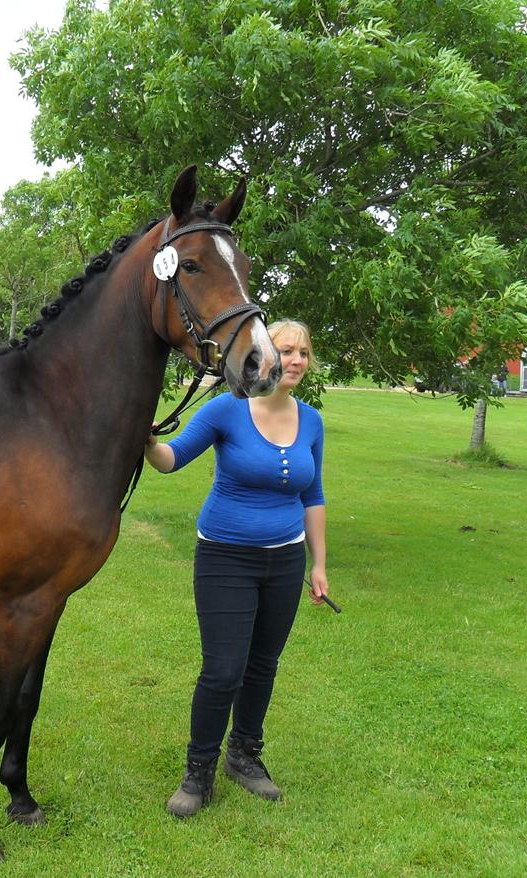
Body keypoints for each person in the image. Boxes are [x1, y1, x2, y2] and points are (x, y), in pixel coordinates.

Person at [143, 319, 329, 819]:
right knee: (224, 670)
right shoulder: (227, 409)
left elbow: (313, 495)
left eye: (303, 352)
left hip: (285, 560)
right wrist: (147, 440)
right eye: (286, 350)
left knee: (262, 664)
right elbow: (172, 458)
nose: (295, 360)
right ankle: (198, 771)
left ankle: (244, 755)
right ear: (264, 354)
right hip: (225, 557)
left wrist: (319, 564)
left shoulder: (311, 421)